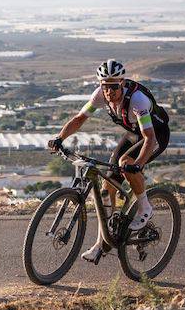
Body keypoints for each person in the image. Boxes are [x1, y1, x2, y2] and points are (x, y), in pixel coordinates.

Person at [48, 59, 169, 262]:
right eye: (105, 86)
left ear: (122, 83)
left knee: (125, 163)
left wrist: (138, 163)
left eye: (114, 86)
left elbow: (149, 138)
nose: (109, 92)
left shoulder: (137, 99)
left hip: (155, 135)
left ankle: (145, 207)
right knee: (107, 188)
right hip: (134, 133)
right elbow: (79, 119)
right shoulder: (100, 96)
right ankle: (102, 243)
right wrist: (60, 138)